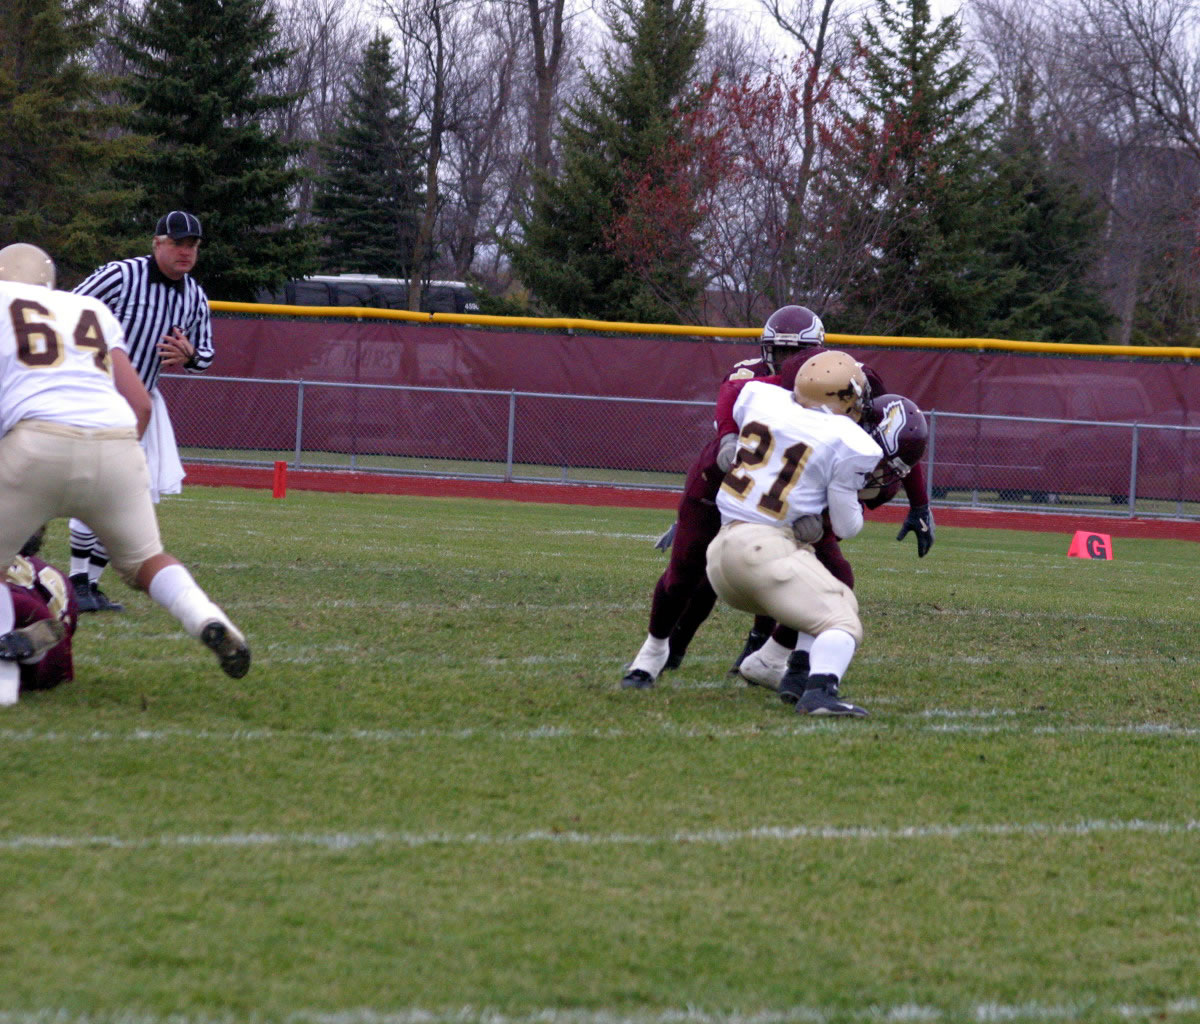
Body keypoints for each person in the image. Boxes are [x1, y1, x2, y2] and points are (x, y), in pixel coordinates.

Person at [0, 243, 249, 708]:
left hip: (37, 440)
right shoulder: (90, 309)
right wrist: (113, 463)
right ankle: (205, 616)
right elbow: (141, 404)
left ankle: (3, 683)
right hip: (117, 440)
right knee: (146, 562)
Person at [620, 305, 826, 689]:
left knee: (786, 575)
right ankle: (654, 651)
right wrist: (730, 436)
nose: (787, 362)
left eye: (796, 353)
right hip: (721, 484)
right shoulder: (748, 379)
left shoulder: (833, 386)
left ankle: (768, 654)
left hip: (778, 498)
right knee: (685, 575)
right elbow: (733, 392)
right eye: (780, 351)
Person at [705, 350, 882, 716]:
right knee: (842, 620)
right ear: (844, 395)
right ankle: (820, 693)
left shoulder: (759, 396)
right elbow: (847, 526)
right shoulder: (849, 439)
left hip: (722, 553)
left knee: (830, 594)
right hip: (764, 554)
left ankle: (775, 665)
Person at [67, 210, 214, 613]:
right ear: (157, 243)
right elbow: (67, 311)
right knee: (97, 486)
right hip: (95, 395)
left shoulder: (194, 295)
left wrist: (190, 355)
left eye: (193, 245)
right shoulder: (121, 275)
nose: (186, 252)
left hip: (142, 402)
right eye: (178, 243)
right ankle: (77, 581)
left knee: (129, 490)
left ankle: (90, 584)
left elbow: (206, 355)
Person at [736, 392, 930, 696]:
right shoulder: (831, 433)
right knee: (831, 581)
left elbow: (842, 522)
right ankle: (785, 663)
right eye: (883, 463)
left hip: (781, 519)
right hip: (757, 513)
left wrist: (919, 505)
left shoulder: (869, 460)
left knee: (829, 576)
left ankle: (775, 659)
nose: (883, 475)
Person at [0, 527, 78, 694]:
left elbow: (23, 605)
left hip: (23, 616)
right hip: (54, 662)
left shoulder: (9, 566)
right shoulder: (55, 575)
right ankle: (31, 655)